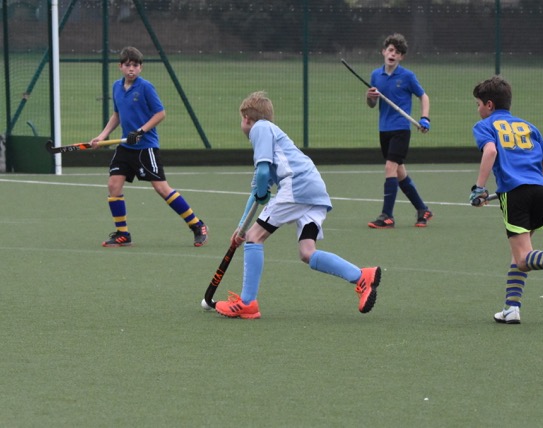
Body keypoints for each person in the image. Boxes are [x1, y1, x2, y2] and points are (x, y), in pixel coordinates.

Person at [214, 91, 381, 319]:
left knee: (254, 237)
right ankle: (362, 276)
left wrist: (259, 202)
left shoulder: (259, 129)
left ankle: (247, 303)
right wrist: (240, 227)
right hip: (315, 190)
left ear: (246, 118)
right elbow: (257, 189)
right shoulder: (272, 136)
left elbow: (262, 176)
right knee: (307, 252)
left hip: (297, 185)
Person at [470, 76, 543, 324]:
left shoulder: (484, 125)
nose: (478, 109)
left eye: (478, 104)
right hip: (540, 192)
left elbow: (490, 151)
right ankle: (511, 308)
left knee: (524, 259)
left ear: (489, 105)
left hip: (516, 195)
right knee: (519, 254)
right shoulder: (529, 127)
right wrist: (525, 180)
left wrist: (479, 189)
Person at [90, 46, 208, 247]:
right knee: (113, 185)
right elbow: (117, 114)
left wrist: (140, 131)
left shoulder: (145, 87)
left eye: (136, 65)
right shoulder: (117, 87)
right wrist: (102, 136)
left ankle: (197, 225)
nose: (131, 69)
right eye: (128, 65)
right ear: (120, 66)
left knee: (161, 188)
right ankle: (123, 234)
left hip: (146, 147)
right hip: (125, 147)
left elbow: (160, 113)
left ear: (141, 68)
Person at [366, 33, 433, 229]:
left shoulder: (407, 76)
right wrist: (369, 97)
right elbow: (372, 104)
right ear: (383, 52)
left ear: (401, 57)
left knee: (390, 168)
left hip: (401, 129)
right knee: (399, 172)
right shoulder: (375, 75)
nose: (393, 54)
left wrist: (425, 118)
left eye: (397, 52)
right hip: (384, 129)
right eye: (390, 50)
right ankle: (423, 210)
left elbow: (424, 96)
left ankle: (387, 216)